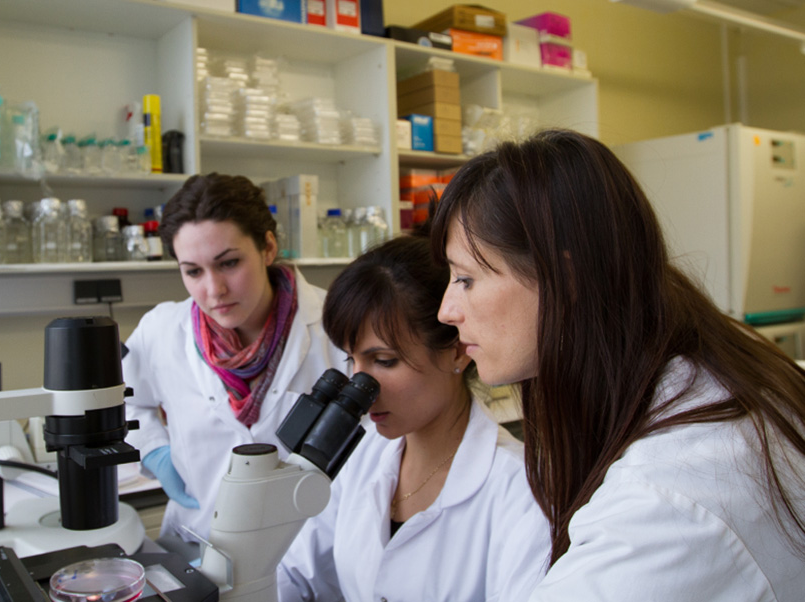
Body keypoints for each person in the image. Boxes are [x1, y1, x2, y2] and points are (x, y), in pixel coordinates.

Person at [431, 128, 805, 601]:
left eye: (465, 278)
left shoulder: (667, 500)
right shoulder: (704, 358)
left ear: (564, 280)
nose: (447, 311)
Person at [278, 233, 550, 601]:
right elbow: (297, 576)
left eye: (384, 361)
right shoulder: (360, 456)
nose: (360, 384)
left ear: (457, 351)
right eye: (351, 360)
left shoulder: (522, 488)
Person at [122, 173, 346, 547]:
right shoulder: (160, 330)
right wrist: (156, 451)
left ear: (268, 247)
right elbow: (124, 403)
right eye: (193, 271)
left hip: (307, 551)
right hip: (196, 539)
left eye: (228, 263)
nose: (213, 290)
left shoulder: (335, 327)